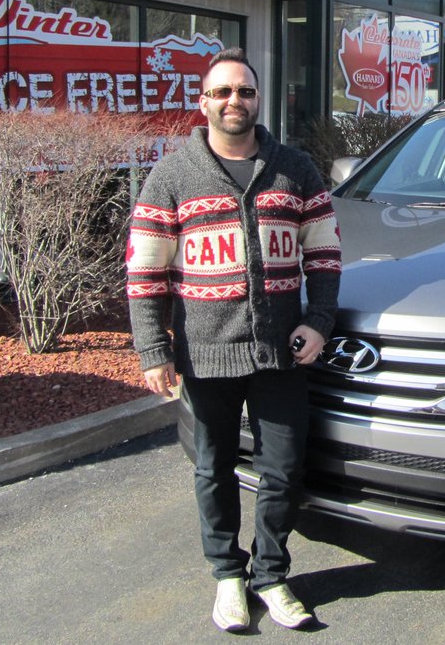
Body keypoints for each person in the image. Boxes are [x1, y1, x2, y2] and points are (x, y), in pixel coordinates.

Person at [126, 49, 341, 632]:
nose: (233, 101)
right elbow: (145, 272)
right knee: (213, 469)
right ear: (204, 102)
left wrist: (318, 320)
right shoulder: (171, 176)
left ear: (256, 100)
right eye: (221, 92)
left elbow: (323, 254)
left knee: (284, 470)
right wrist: (153, 350)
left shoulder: (297, 170)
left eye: (243, 92)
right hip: (205, 352)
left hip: (281, 353)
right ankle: (227, 576)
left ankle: (271, 575)